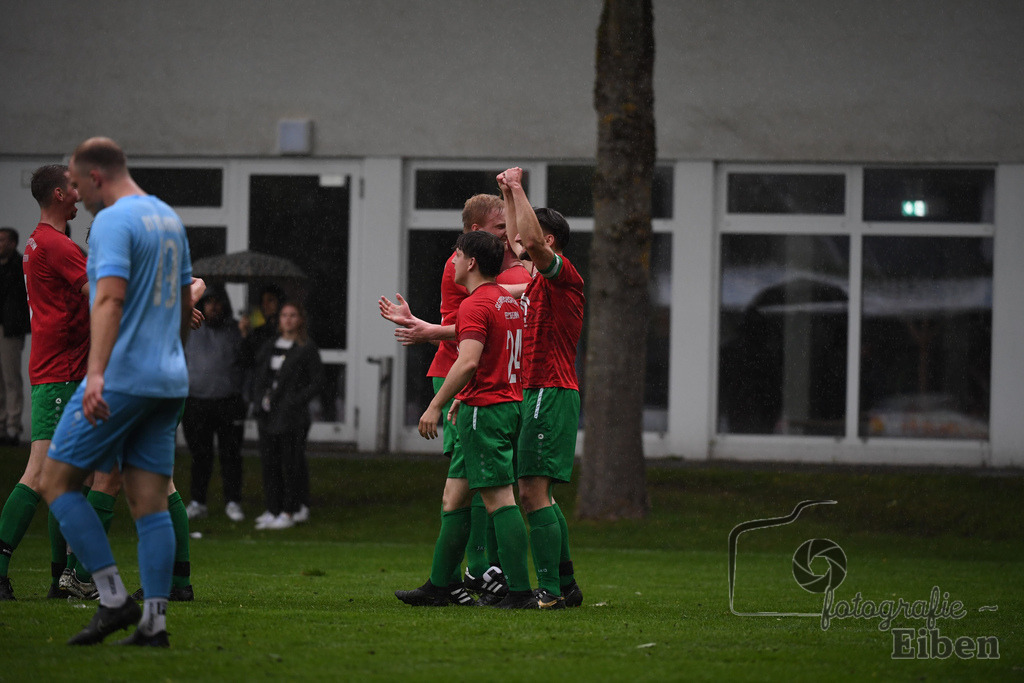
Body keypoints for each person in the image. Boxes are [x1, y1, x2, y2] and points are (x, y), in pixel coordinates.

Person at [39, 137, 193, 647]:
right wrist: (172, 359)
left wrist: (97, 373)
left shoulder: (111, 221)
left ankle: (110, 598)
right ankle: (154, 623)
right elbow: (183, 301)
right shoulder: (169, 219)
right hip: (169, 378)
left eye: (79, 185)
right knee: (148, 500)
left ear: (97, 176)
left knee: (57, 481)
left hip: (124, 376)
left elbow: (107, 298)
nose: (78, 196)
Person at [379, 194, 531, 605]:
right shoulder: (505, 297)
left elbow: (467, 361)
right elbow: (527, 281)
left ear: (471, 261)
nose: (454, 259)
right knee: (457, 494)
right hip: (493, 398)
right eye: (501, 232)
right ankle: (441, 584)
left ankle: (510, 586)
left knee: (498, 496)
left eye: (460, 254)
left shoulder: (480, 301)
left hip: (483, 402)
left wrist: (437, 402)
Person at [0, 164, 120, 601]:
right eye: (73, 185)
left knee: (72, 480)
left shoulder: (39, 241)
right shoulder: (56, 245)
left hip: (59, 371)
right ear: (57, 194)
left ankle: (61, 579)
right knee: (41, 473)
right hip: (62, 373)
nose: (79, 191)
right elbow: (105, 294)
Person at [498, 166, 585, 608]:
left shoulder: (562, 275)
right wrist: (510, 199)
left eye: (535, 237)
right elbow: (520, 243)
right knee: (540, 494)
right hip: (539, 393)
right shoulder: (533, 280)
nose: (521, 248)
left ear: (549, 242)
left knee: (532, 493)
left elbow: (528, 242)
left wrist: (517, 188)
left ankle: (548, 591)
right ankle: (566, 586)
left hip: (550, 392)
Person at [250, 301, 323, 530]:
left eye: (293, 315)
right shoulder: (270, 345)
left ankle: (290, 510)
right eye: (284, 315)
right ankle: (273, 508)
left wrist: (295, 400)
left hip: (292, 417)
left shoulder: (306, 348)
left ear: (300, 319)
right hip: (268, 414)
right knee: (269, 463)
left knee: (290, 464)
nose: (288, 319)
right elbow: (256, 369)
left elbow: (317, 381)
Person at [182, 286, 246, 522]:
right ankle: (198, 501)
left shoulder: (236, 330)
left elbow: (248, 362)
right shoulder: (189, 328)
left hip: (229, 401)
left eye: (218, 302)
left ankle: (233, 501)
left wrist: (246, 336)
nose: (213, 306)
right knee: (200, 455)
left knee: (231, 455)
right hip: (196, 401)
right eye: (209, 302)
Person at [0, 227, 30, 445]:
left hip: (10, 329)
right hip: (3, 326)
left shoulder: (20, 265)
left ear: (13, 243)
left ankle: (13, 427)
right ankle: (2, 424)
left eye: (2, 240)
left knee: (11, 378)